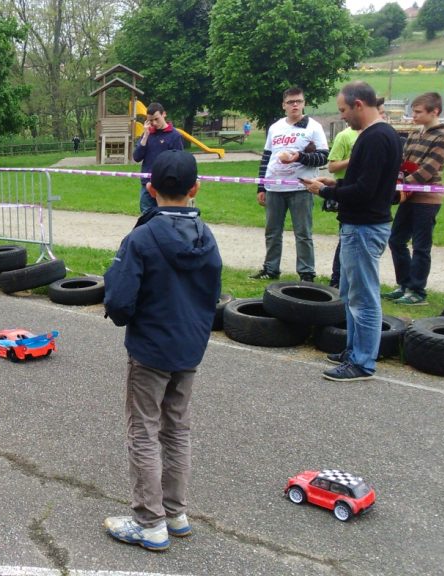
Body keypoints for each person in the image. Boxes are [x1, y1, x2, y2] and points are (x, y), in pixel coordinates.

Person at [102, 150, 223, 551]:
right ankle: (175, 512)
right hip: (189, 348)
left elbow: (119, 300)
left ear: (150, 189)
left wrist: (125, 313)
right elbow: (211, 296)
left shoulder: (141, 237)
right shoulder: (207, 236)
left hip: (152, 350)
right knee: (177, 430)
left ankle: (150, 522)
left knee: (143, 431)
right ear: (195, 189)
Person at [302, 81, 402, 382]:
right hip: (361, 224)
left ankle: (362, 362)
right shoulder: (377, 136)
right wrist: (335, 184)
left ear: (359, 104)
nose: (342, 116)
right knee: (350, 293)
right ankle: (354, 350)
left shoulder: (375, 138)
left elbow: (365, 191)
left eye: (344, 110)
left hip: (364, 226)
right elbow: (364, 183)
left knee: (363, 298)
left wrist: (325, 193)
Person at [250, 87, 330, 282]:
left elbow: (323, 157)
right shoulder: (276, 127)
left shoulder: (313, 127)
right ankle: (270, 269)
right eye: (291, 102)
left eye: (299, 101)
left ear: (304, 103)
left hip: (301, 188)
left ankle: (306, 273)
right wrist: (261, 186)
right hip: (274, 187)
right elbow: (266, 158)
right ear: (284, 105)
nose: (295, 105)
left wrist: (299, 157)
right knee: (272, 231)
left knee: (303, 232)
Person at [384, 92, 444, 306]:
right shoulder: (415, 134)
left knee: (421, 246)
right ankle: (404, 284)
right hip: (409, 195)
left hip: (427, 198)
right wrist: (398, 180)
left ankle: (418, 291)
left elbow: (428, 170)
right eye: (412, 111)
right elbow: (404, 162)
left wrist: (399, 187)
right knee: (396, 239)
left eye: (418, 112)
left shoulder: (443, 137)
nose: (413, 115)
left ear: (435, 112)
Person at [324, 124, 360, 288]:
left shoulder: (378, 134)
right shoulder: (345, 136)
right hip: (345, 192)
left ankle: (347, 280)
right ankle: (337, 279)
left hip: (362, 198)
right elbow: (332, 166)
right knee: (346, 238)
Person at [133, 103, 184, 214]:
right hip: (147, 184)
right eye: (151, 121)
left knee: (167, 215)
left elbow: (179, 160)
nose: (154, 123)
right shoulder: (147, 135)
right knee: (147, 215)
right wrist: (145, 136)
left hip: (166, 185)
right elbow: (136, 157)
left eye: (157, 119)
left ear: (164, 114)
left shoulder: (175, 136)